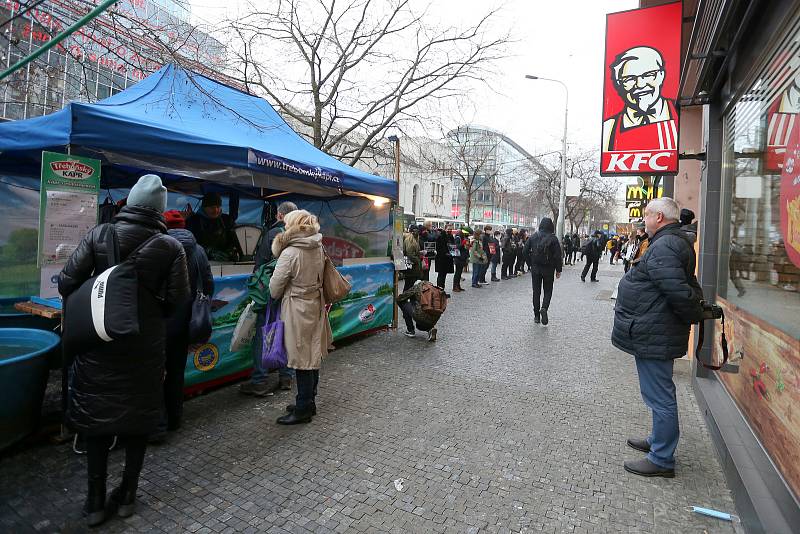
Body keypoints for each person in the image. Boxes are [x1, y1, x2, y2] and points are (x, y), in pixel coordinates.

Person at [58, 175, 191, 526]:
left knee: (97, 422)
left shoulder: (99, 234)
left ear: (129, 203)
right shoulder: (170, 247)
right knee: (137, 422)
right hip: (144, 347)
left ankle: (95, 502)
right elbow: (179, 300)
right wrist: (147, 310)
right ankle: (128, 496)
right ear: (160, 211)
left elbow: (68, 282)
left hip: (98, 342)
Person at [612, 198, 704, 478]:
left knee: (659, 395)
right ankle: (657, 440)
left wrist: (693, 314)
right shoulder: (670, 242)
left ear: (660, 217)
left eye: (647, 215)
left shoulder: (666, 245)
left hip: (655, 331)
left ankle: (662, 458)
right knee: (656, 393)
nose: (644, 220)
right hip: (654, 329)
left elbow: (678, 291)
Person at [151, 210, 214, 442]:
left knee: (156, 371)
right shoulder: (198, 250)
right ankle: (175, 419)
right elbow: (208, 285)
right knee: (176, 371)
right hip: (185, 321)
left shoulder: (157, 247)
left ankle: (158, 426)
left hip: (160, 320)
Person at [269, 210, 333, 425]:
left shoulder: (290, 253)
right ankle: (309, 401)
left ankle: (303, 407)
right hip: (315, 304)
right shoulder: (318, 246)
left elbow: (274, 289)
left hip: (297, 307)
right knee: (312, 355)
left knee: (301, 359)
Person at [241, 201, 298, 397]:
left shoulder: (275, 234)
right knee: (286, 332)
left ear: (280, 216)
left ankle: (260, 380)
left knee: (263, 333)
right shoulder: (301, 236)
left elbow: (263, 265)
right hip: (292, 294)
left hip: (271, 293)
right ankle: (287, 377)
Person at [523, 218, 563, 325]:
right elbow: (558, 256)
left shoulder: (533, 237)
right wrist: (558, 270)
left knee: (536, 292)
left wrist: (530, 264)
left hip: (535, 268)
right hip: (549, 269)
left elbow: (525, 251)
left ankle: (536, 315)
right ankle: (544, 308)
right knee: (548, 291)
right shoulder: (553, 239)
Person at [185, 192, 243, 262]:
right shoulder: (193, 221)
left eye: (218, 207)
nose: (216, 210)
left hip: (225, 264)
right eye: (212, 207)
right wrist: (209, 251)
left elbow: (235, 239)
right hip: (201, 262)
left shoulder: (226, 220)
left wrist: (231, 251)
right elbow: (189, 244)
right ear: (204, 207)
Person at [402, 225, 422, 292]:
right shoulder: (410, 240)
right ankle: (403, 301)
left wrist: (420, 253)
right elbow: (410, 254)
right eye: (416, 230)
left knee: (410, 285)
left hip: (412, 267)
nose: (417, 232)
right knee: (408, 285)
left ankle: (410, 300)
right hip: (411, 267)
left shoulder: (415, 239)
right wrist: (418, 260)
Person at [435, 223, 455, 289]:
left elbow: (453, 246)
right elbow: (439, 247)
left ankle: (442, 288)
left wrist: (453, 252)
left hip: (448, 259)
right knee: (441, 275)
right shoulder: (441, 236)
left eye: (451, 229)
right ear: (445, 229)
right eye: (448, 229)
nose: (450, 230)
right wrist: (445, 253)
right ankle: (439, 289)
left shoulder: (451, 236)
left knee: (444, 275)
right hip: (442, 259)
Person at [452, 227, 470, 293]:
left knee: (459, 273)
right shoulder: (458, 238)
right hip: (458, 258)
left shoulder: (463, 238)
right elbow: (456, 247)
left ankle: (458, 286)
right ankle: (455, 286)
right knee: (457, 273)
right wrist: (463, 243)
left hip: (462, 257)